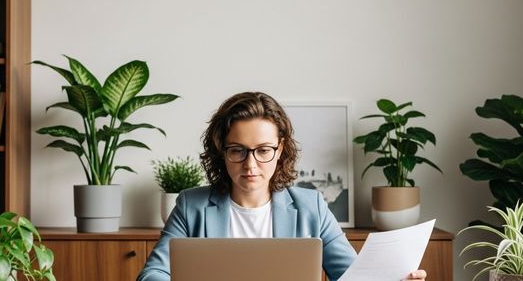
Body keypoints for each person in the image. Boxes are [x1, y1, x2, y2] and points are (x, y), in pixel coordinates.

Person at [137, 92, 428, 281]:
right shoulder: (192, 206)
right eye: (237, 150)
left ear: (280, 149)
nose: (250, 165)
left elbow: (352, 277)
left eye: (263, 150)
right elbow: (153, 274)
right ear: (220, 150)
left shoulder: (310, 206)